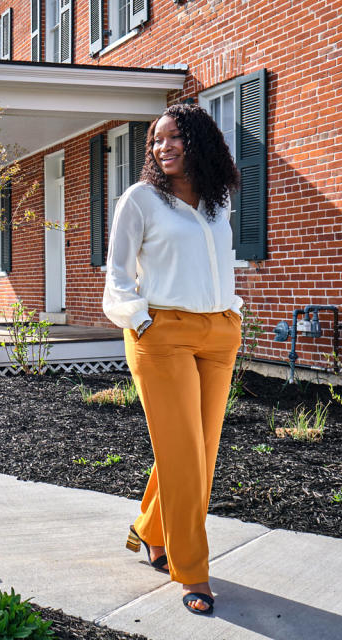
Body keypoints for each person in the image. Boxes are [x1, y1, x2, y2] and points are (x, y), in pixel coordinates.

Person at [103, 104, 241, 616]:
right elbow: (116, 275)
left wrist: (234, 310)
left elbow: (218, 262)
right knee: (184, 456)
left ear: (198, 142)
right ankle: (192, 571)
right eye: (157, 140)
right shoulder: (140, 199)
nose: (163, 147)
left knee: (200, 453)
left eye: (174, 137)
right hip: (162, 333)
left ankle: (149, 529)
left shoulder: (216, 202)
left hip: (219, 331)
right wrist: (138, 319)